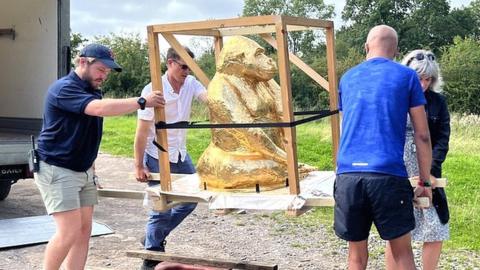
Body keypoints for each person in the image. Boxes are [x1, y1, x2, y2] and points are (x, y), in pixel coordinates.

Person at [34, 43, 165, 270]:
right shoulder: (64, 88)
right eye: (101, 69)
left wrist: (91, 170)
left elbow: (87, 134)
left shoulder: (92, 90)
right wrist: (142, 101)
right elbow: (99, 109)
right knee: (69, 232)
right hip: (57, 168)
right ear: (83, 62)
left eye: (107, 72)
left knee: (84, 232)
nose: (104, 76)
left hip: (82, 170)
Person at [334, 25, 433, 270]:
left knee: (356, 257)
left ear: (366, 47)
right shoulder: (407, 76)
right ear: (396, 51)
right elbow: (422, 135)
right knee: (402, 254)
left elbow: (347, 126)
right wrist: (425, 182)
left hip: (348, 176)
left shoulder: (347, 78)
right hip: (387, 176)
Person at [134, 47, 207, 270]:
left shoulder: (191, 83)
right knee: (161, 206)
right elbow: (142, 131)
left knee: (192, 198)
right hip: (157, 153)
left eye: (190, 67)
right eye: (183, 66)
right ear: (170, 63)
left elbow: (208, 98)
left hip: (179, 152)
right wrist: (138, 164)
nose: (186, 71)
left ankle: (151, 239)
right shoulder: (154, 90)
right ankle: (152, 256)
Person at [385, 49, 450, 270]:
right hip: (398, 168)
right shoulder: (394, 98)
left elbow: (442, 138)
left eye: (427, 79)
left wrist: (430, 171)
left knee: (435, 226)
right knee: (397, 229)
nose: (422, 84)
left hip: (428, 169)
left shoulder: (438, 102)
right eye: (418, 78)